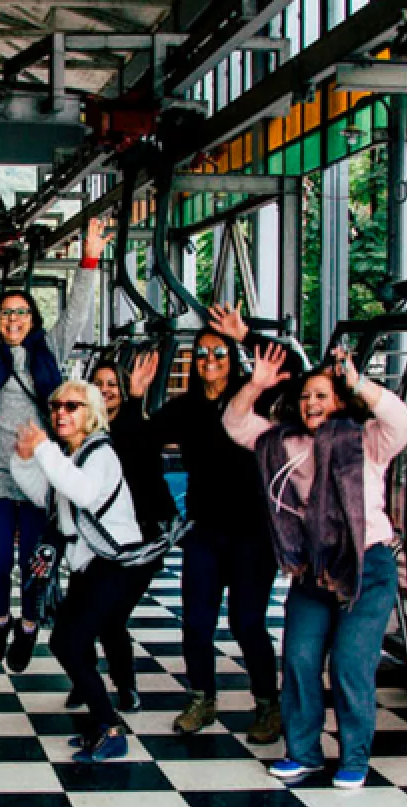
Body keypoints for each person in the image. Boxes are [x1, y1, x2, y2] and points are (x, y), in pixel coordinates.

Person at [224, 345, 407, 789]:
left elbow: (401, 421)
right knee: (300, 658)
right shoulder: (284, 442)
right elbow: (235, 424)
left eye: (322, 396)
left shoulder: (366, 441)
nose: (311, 403)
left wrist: (358, 382)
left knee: (349, 662)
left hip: (367, 566)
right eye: (306, 396)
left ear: (341, 402)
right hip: (313, 568)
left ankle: (354, 758)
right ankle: (303, 754)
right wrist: (255, 384)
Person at [126, 305, 299, 743]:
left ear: (232, 358)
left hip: (252, 532)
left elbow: (292, 370)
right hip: (204, 530)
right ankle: (202, 698)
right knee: (196, 622)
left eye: (218, 353)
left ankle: (268, 704)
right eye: (201, 354)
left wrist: (246, 336)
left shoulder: (254, 395)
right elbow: (141, 439)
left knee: (247, 622)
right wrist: (134, 397)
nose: (209, 361)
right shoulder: (184, 408)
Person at [0, 216, 109, 672]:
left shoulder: (49, 351)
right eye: (5, 313)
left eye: (21, 312)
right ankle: (0, 621)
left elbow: (76, 312)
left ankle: (29, 624)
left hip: (41, 474)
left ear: (33, 320)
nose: (13, 319)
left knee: (36, 563)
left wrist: (90, 259)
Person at [11, 381, 151, 762]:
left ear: (91, 413)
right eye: (56, 405)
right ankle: (101, 721)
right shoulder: (74, 456)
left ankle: (109, 728)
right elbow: (48, 496)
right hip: (91, 565)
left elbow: (84, 494)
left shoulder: (100, 452)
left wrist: (43, 449)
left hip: (114, 563)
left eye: (72, 406)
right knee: (64, 642)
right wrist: (24, 459)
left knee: (71, 642)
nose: (61, 412)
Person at [54, 358, 179, 713]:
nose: (106, 390)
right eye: (99, 383)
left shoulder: (126, 431)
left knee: (110, 618)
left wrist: (137, 398)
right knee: (80, 617)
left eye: (112, 384)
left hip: (133, 546)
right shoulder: (78, 438)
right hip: (92, 548)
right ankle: (86, 682)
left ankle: (123, 686)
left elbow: (138, 441)